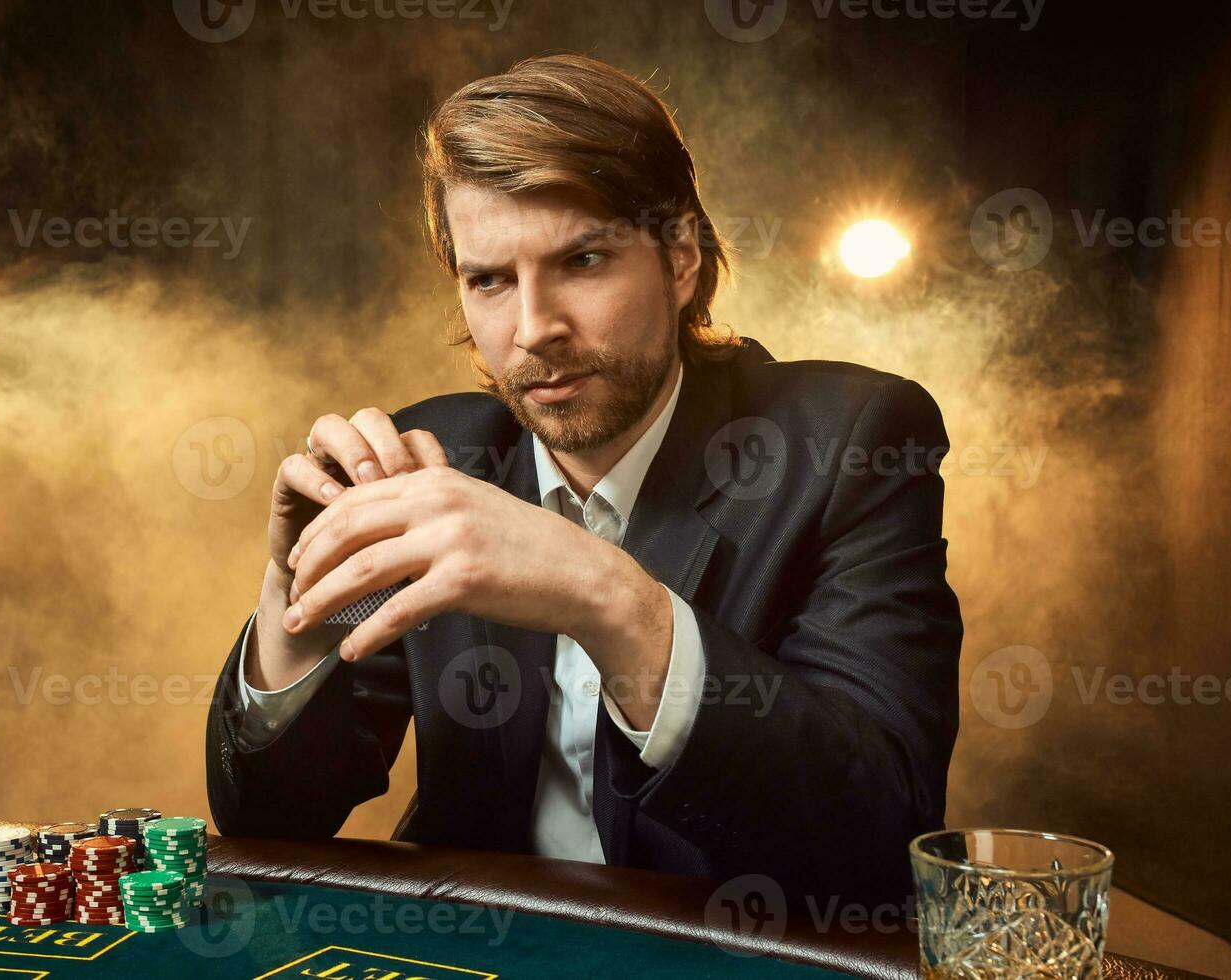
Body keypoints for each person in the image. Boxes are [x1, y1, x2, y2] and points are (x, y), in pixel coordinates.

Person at [206, 52, 962, 907]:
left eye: (584, 261)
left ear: (680, 258)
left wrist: (602, 594)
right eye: (489, 280)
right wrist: (298, 603)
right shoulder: (441, 455)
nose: (534, 330)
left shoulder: (850, 442)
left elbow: (879, 837)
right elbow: (268, 821)